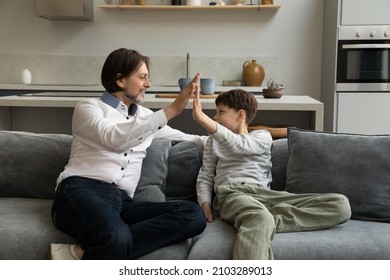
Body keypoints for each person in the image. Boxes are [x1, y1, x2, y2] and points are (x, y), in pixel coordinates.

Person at [50, 48, 207, 260]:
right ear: (120, 80)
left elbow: (190, 138)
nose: (148, 84)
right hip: (80, 190)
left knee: (193, 216)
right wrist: (172, 110)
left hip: (123, 202)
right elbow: (115, 139)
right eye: (142, 77)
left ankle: (79, 253)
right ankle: (111, 242)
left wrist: (240, 139)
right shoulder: (89, 108)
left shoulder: (146, 117)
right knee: (117, 236)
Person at [192, 88, 352, 260]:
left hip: (266, 195)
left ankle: (263, 222)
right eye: (215, 113)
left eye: (220, 112)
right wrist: (205, 203)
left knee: (340, 205)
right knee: (259, 217)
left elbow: (241, 145)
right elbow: (206, 174)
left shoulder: (262, 136)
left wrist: (204, 120)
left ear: (240, 115)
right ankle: (260, 221)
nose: (215, 117)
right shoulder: (212, 142)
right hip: (233, 193)